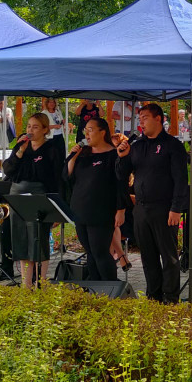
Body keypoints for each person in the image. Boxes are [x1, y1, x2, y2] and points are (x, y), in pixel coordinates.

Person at [115, 103, 188, 303]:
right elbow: (121, 176)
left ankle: (171, 298)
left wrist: (176, 208)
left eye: (145, 118)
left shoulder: (172, 145)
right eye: (139, 119)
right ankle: (154, 296)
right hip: (141, 209)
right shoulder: (137, 146)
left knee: (169, 256)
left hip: (165, 208)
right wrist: (121, 157)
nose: (141, 122)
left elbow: (181, 180)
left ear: (159, 119)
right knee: (148, 257)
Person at [65, 118, 128, 281]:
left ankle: (111, 289)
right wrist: (73, 155)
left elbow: (121, 184)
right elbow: (67, 176)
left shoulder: (113, 155)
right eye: (85, 129)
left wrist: (121, 210)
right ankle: (96, 291)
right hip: (80, 210)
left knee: (100, 252)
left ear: (102, 132)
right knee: (90, 253)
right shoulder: (83, 154)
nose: (86, 133)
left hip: (101, 211)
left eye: (91, 129)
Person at [2, 113, 61, 288]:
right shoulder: (21, 147)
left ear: (45, 130)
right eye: (28, 126)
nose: (30, 130)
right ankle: (26, 284)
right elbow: (8, 169)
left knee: (38, 239)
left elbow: (58, 178)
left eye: (35, 127)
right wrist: (20, 150)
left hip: (39, 197)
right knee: (21, 240)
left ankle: (41, 283)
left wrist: (56, 208)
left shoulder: (52, 149)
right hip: (18, 196)